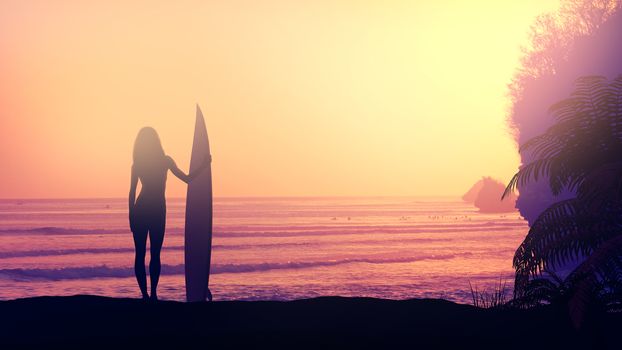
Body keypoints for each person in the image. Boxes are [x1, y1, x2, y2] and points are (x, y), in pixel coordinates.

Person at [129, 127, 208, 301]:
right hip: (157, 210)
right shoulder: (164, 161)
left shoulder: (139, 164)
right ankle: (153, 294)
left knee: (141, 253)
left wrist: (131, 216)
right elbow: (187, 179)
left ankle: (145, 295)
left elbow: (132, 193)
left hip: (141, 210)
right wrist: (203, 166)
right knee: (155, 254)